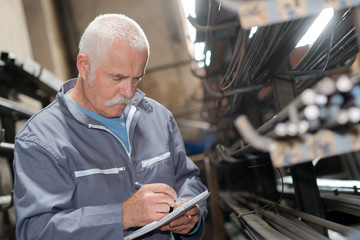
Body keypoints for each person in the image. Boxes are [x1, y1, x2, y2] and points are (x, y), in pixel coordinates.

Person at [13, 13, 208, 240]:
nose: (129, 92)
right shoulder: (40, 140)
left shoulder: (158, 118)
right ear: (84, 66)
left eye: (136, 78)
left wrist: (191, 214)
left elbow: (188, 179)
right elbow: (37, 232)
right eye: (118, 78)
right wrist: (122, 216)